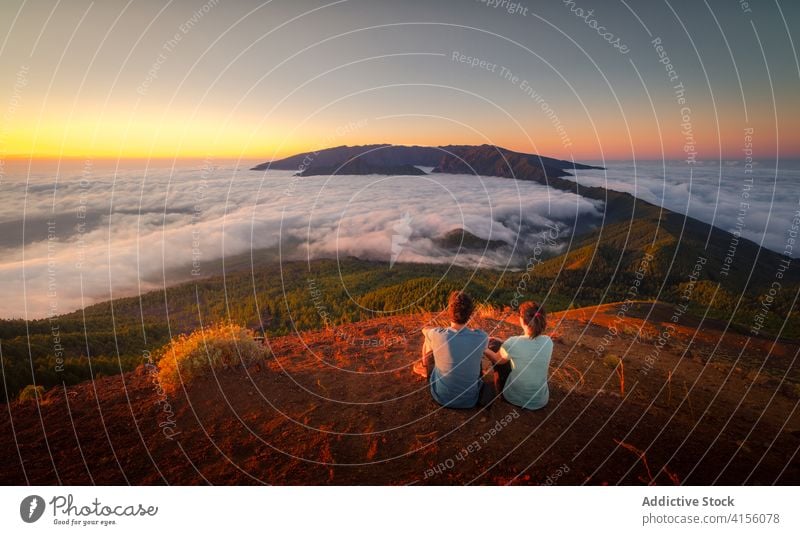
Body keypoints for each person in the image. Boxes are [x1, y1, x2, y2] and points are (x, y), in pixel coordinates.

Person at [414, 291, 489, 408]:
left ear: (449, 311)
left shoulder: (437, 334)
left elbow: (424, 330)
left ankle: (425, 368)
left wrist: (433, 330)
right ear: (470, 314)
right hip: (470, 400)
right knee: (474, 353)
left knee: (428, 341)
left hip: (441, 398)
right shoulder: (482, 337)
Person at [483, 301, 553, 410]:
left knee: (494, 346)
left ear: (522, 320)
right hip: (540, 400)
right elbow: (526, 348)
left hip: (513, 398)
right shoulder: (548, 342)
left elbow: (497, 359)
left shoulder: (514, 342)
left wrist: (484, 349)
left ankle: (499, 390)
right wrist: (503, 341)